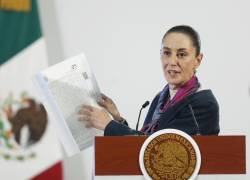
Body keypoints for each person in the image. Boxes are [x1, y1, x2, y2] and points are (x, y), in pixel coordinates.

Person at [78, 25, 220, 136]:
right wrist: (117, 119)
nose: (172, 61)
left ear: (198, 60)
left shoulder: (203, 104)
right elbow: (145, 140)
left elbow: (159, 151)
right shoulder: (161, 98)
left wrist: (109, 125)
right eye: (166, 53)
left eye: (181, 54)